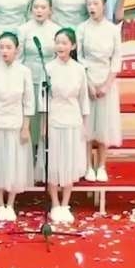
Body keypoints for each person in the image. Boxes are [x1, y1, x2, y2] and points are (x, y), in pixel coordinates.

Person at [0, 32, 35, 222]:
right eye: (1, 47)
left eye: (8, 47)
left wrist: (26, 127)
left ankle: (11, 204)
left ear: (17, 50)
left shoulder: (24, 72)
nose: (4, 51)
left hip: (16, 123)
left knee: (14, 164)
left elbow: (29, 101)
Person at [43, 28, 90, 224]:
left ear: (73, 46)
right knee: (54, 163)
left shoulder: (79, 69)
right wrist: (44, 125)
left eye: (64, 43)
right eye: (57, 42)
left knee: (69, 163)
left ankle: (65, 204)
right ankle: (55, 204)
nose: (60, 46)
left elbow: (84, 98)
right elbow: (43, 99)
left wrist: (85, 124)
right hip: (54, 118)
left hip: (73, 120)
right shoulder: (48, 68)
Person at [78, 0, 123, 182]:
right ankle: (87, 166)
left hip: (106, 80)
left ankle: (102, 166)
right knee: (87, 125)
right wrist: (88, 83)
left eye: (95, 4)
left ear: (104, 6)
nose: (92, 7)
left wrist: (107, 84)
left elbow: (117, 58)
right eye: (89, 4)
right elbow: (80, 57)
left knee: (105, 124)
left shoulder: (113, 30)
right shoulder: (82, 28)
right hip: (87, 79)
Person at [17, 0, 61, 175]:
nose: (39, 11)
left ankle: (44, 167)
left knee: (45, 125)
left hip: (48, 83)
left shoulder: (57, 30)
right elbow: (19, 59)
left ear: (50, 10)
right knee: (29, 124)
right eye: (36, 7)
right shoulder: (23, 30)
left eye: (43, 7)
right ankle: (26, 167)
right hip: (28, 80)